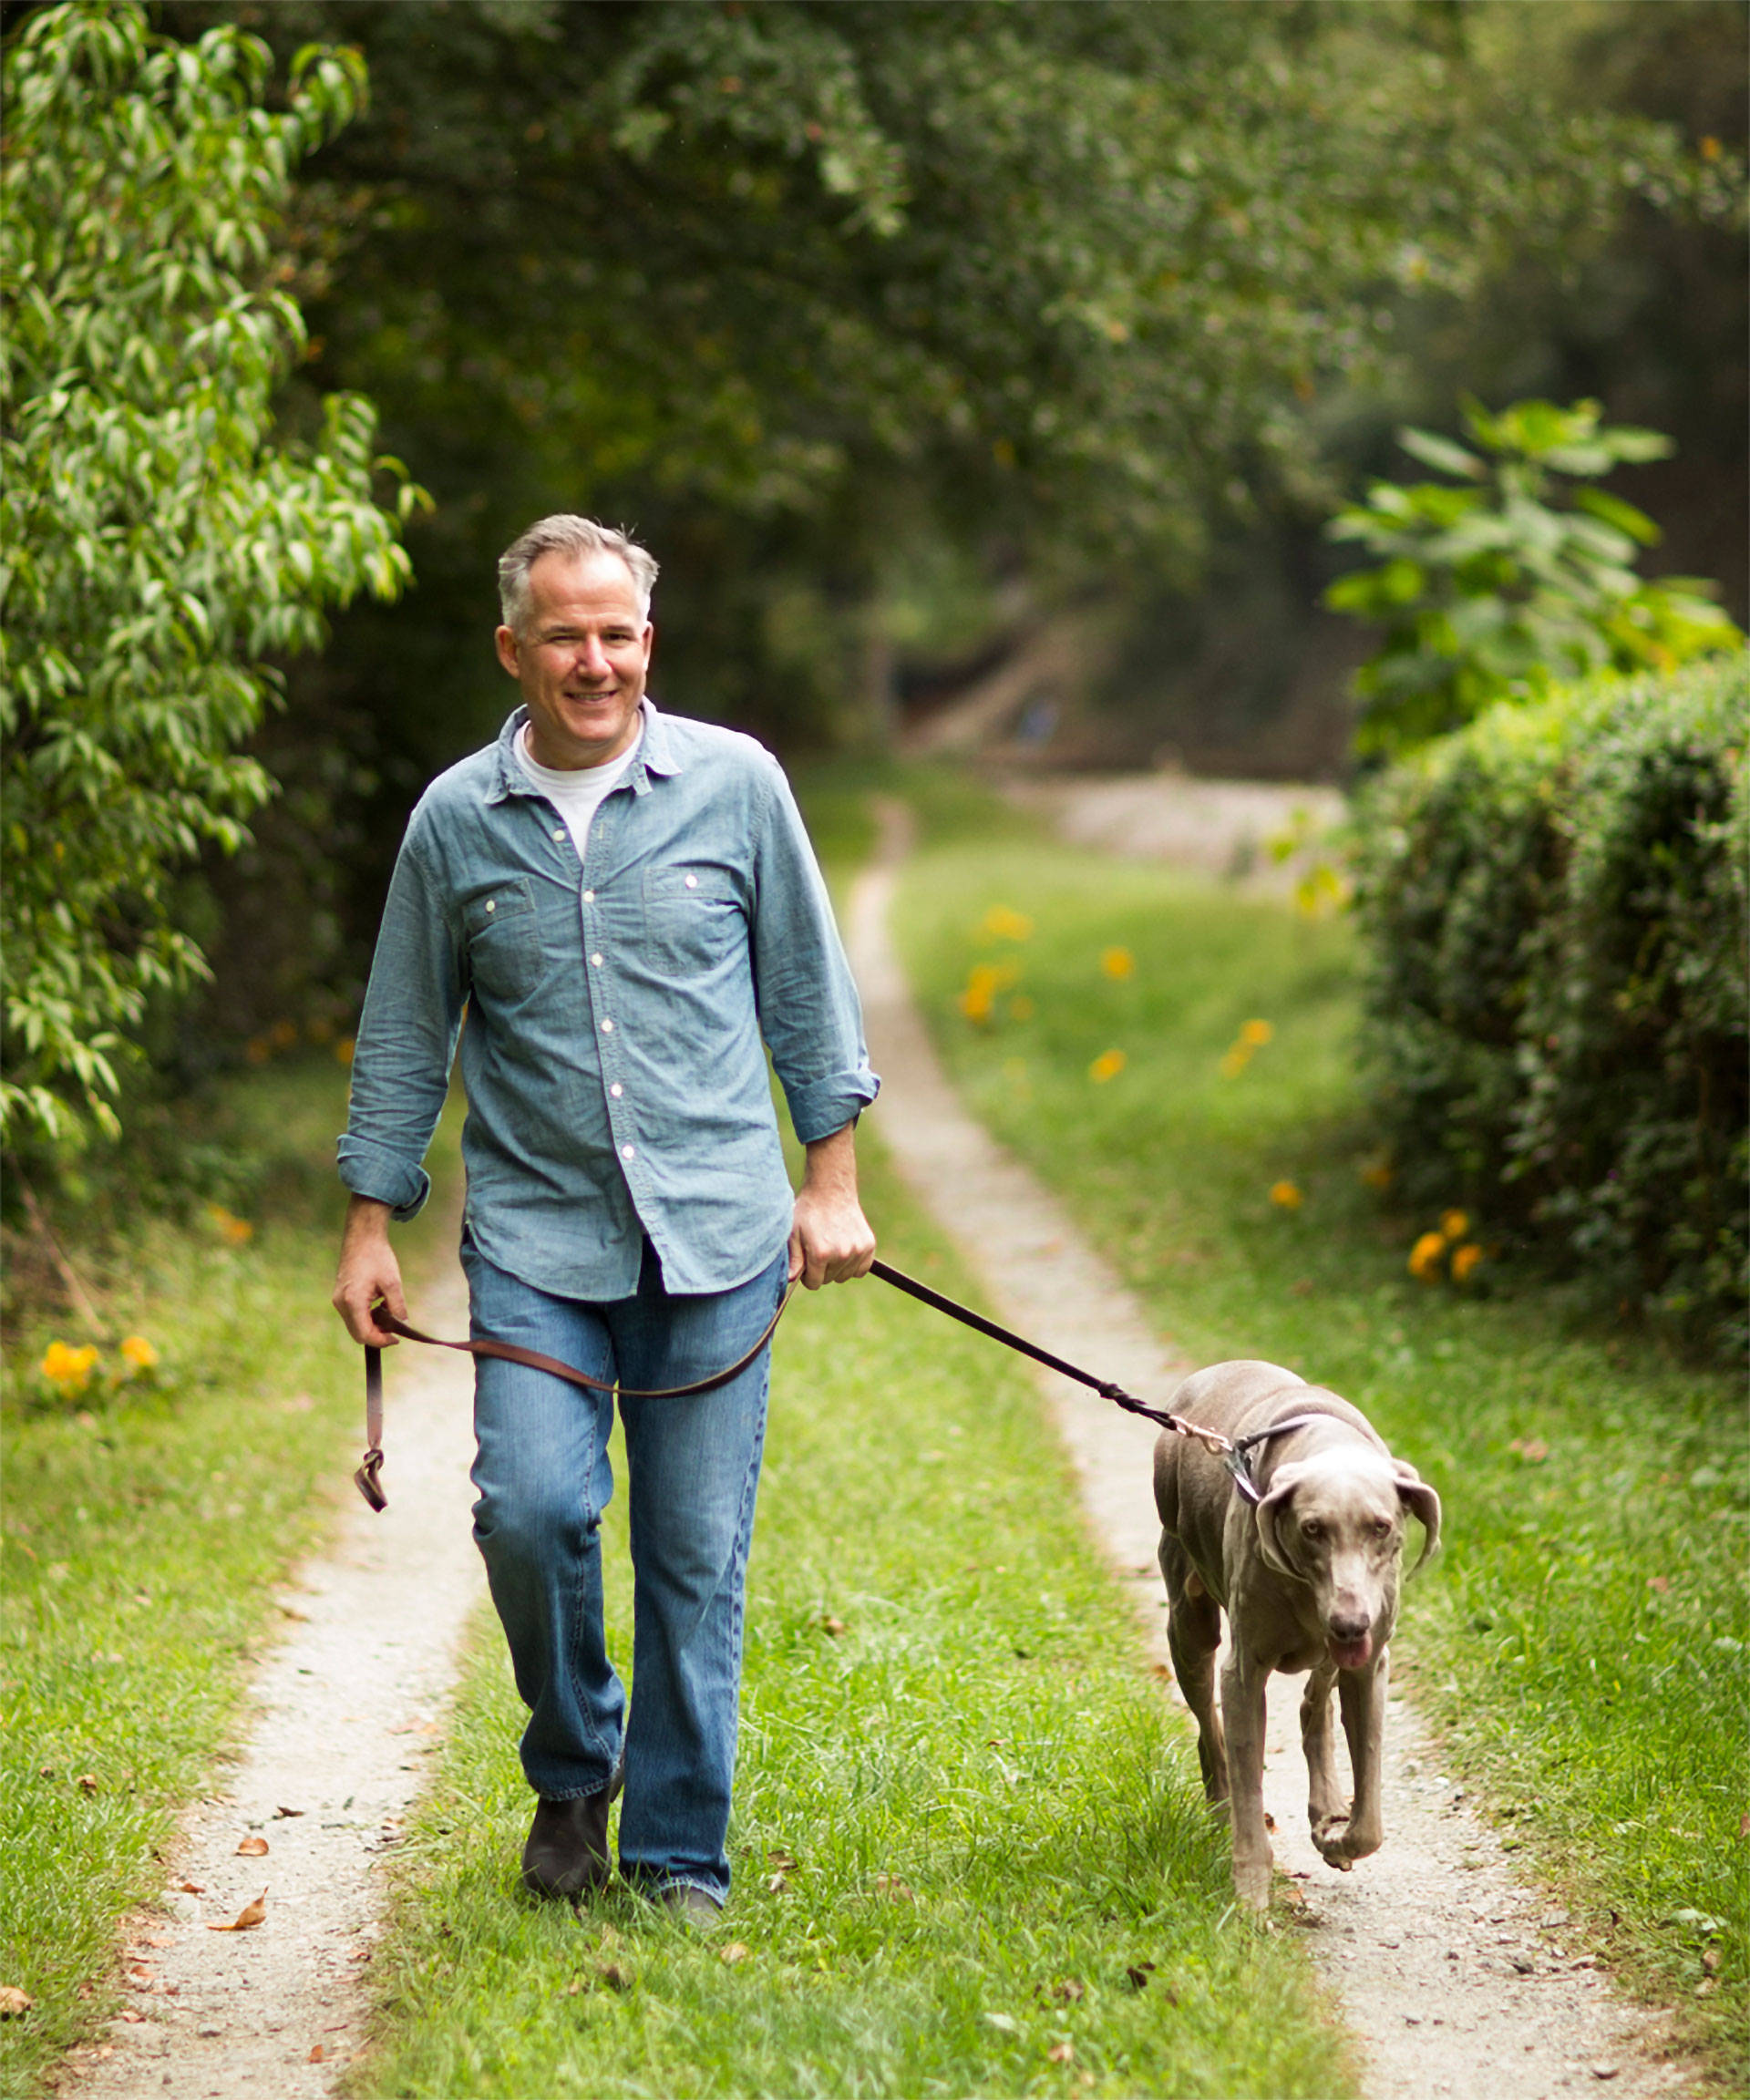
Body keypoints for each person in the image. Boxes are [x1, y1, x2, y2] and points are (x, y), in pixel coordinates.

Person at [331, 514, 878, 1920]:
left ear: (650, 640)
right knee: (530, 1510)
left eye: (618, 633)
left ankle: (680, 1852)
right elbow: (404, 1034)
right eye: (565, 636)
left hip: (715, 1235)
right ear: (513, 648)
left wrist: (831, 1188)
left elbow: (807, 994)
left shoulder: (738, 787)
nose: (595, 661)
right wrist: (371, 1226)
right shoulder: (457, 821)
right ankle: (576, 1767)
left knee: (694, 1558)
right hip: (536, 1237)